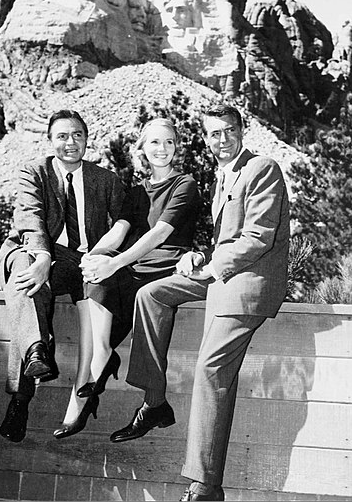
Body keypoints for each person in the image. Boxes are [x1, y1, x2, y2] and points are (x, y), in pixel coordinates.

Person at [110, 104, 290, 502]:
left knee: (210, 370)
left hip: (248, 284)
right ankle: (154, 401)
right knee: (152, 293)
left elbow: (258, 237)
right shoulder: (221, 176)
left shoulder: (262, 168)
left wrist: (213, 269)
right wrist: (197, 257)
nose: (221, 140)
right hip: (221, 275)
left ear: (242, 130)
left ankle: (205, 485)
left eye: (228, 131)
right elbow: (225, 238)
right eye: (213, 134)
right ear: (205, 138)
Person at [54, 117, 201, 438]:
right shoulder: (136, 192)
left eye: (169, 142)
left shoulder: (185, 184)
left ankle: (117, 379)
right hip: (134, 266)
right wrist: (95, 256)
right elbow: (118, 231)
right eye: (154, 143)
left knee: (109, 273)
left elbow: (159, 235)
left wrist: (113, 263)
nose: (162, 149)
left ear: (177, 148)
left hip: (166, 264)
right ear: (142, 150)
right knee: (95, 270)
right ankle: (103, 355)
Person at [0, 109, 125, 443]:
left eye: (78, 135)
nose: (71, 143)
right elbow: (30, 216)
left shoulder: (105, 179)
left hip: (79, 261)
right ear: (50, 140)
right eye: (63, 136)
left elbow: (125, 222)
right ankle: (25, 386)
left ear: (86, 139)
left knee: (28, 292)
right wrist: (41, 255)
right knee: (26, 276)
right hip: (33, 248)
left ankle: (33, 360)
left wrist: (101, 256)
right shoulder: (34, 172)